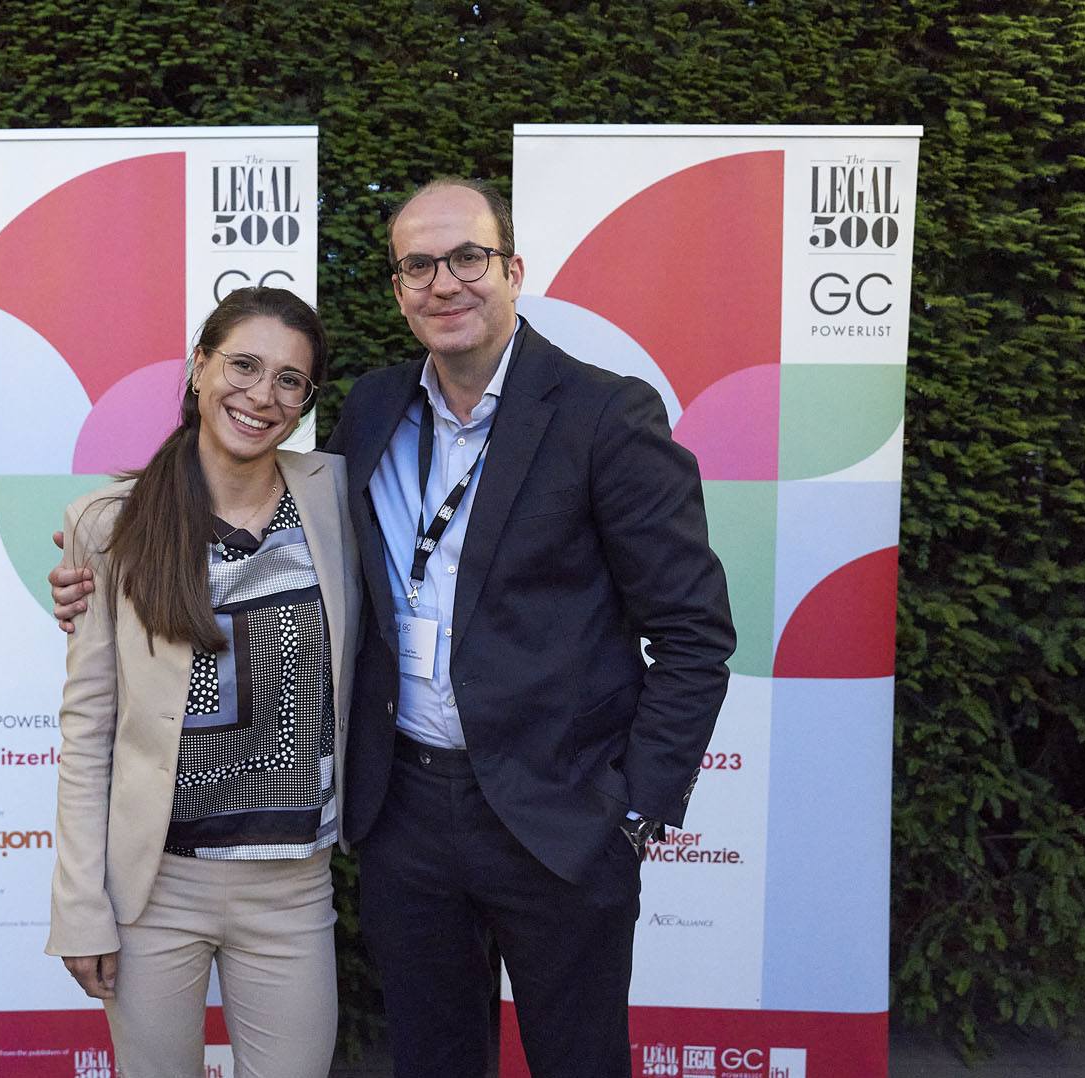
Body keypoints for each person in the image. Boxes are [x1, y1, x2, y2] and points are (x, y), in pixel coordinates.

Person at [53, 179, 734, 1078]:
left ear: (513, 271)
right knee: (432, 1059)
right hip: (404, 816)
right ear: (398, 289)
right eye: (419, 265)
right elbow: (230, 525)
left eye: (468, 258)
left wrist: (636, 812)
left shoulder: (605, 414)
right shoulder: (373, 411)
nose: (444, 282)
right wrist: (93, 572)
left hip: (558, 816)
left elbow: (693, 633)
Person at [44, 286, 359, 1078]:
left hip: (293, 888)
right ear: (198, 367)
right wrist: (79, 906)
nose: (262, 395)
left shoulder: (339, 497)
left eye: (289, 379)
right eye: (243, 365)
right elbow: (88, 731)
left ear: (307, 400)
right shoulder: (109, 524)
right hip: (154, 889)